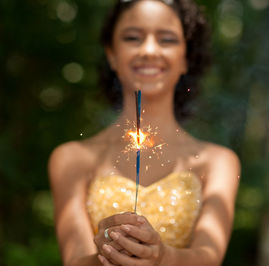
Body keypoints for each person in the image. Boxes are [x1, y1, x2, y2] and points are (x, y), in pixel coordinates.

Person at [48, 0, 240, 265]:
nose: (149, 50)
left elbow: (208, 258)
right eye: (132, 38)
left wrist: (161, 256)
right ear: (112, 54)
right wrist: (107, 254)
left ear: (186, 57)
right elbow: (74, 260)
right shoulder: (71, 158)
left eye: (167, 40)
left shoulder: (218, 162)